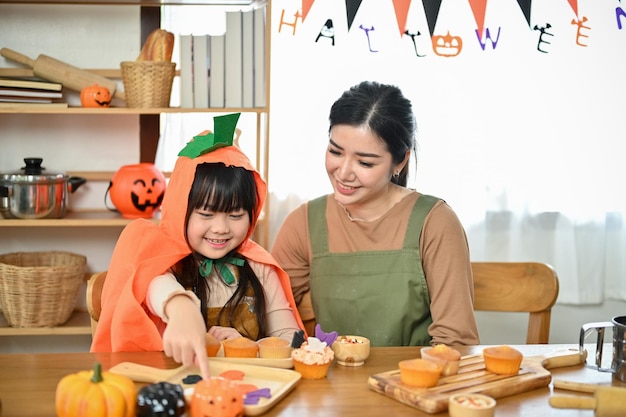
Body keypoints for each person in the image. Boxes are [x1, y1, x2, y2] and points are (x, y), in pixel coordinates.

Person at [91, 113, 304, 379]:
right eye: (206, 214)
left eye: (235, 215)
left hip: (250, 390)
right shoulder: (165, 263)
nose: (220, 228)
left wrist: (249, 347)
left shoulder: (260, 269)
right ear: (182, 210)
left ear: (252, 214)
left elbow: (291, 338)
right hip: (178, 386)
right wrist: (181, 309)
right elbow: (155, 287)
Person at [271, 81, 480, 347]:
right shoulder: (304, 223)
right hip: (332, 384)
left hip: (417, 382)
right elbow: (268, 311)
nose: (343, 172)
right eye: (335, 151)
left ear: (400, 161)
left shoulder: (434, 222)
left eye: (365, 162)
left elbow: (455, 341)